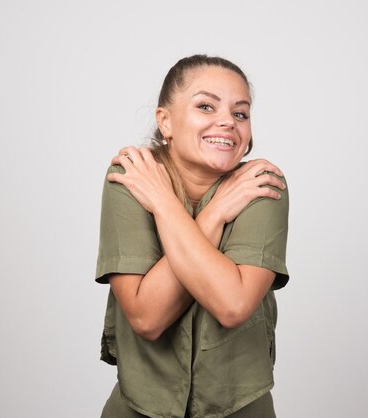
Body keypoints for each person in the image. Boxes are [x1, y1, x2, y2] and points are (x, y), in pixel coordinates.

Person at [95, 54, 289, 418]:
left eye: (240, 113)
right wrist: (213, 215)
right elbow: (146, 319)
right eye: (205, 106)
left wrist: (163, 206)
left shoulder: (262, 185)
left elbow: (232, 305)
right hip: (140, 406)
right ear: (165, 121)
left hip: (240, 406)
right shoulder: (132, 177)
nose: (227, 122)